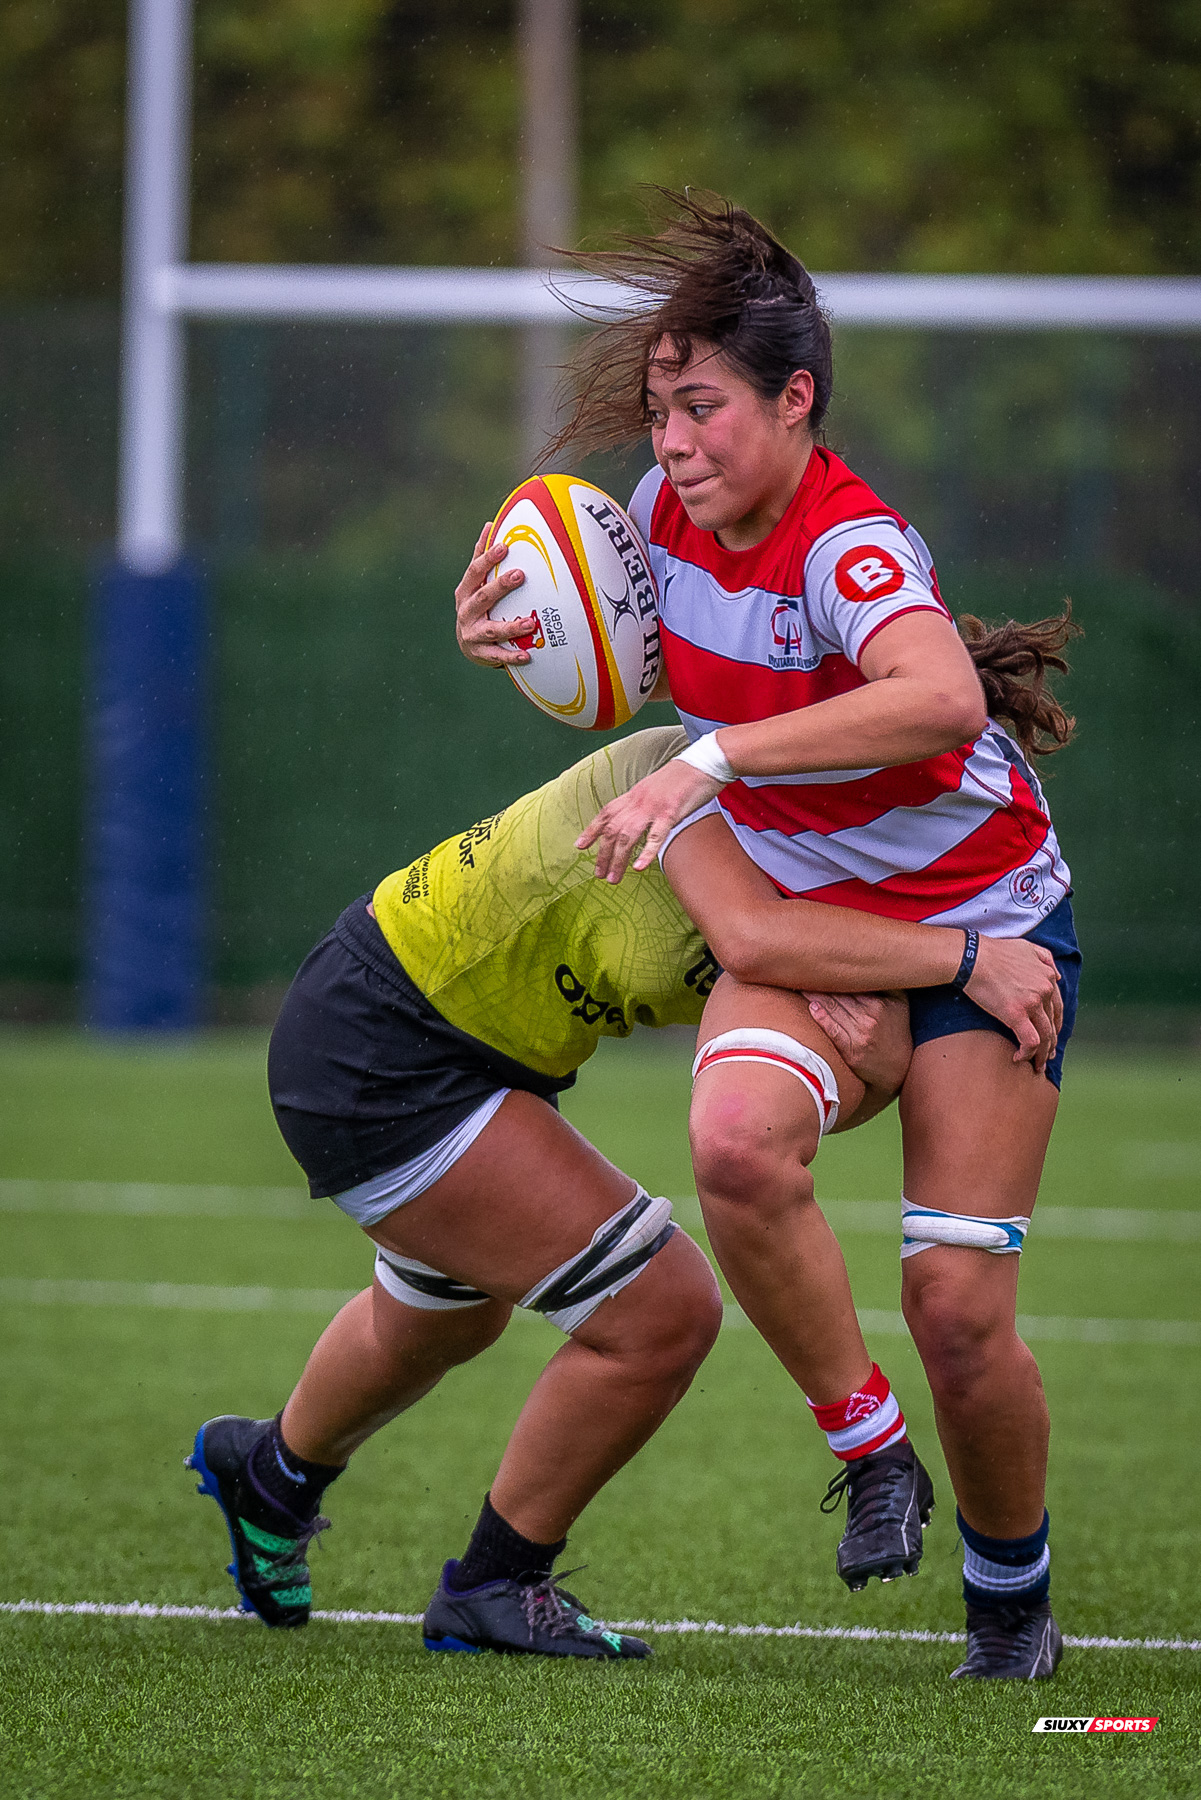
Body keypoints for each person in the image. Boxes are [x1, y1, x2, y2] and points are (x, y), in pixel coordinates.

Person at [453, 193, 1081, 1681]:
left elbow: (935, 698)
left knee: (957, 1306)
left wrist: (716, 760)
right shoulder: (664, 523)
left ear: (794, 401)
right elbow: (612, 640)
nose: (669, 443)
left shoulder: (847, 544)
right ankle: (869, 1451)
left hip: (987, 920)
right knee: (733, 1143)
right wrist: (505, 628)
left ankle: (1012, 1607)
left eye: (702, 408)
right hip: (812, 925)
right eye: (661, 409)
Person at [189, 726, 1059, 1659]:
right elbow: (756, 938)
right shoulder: (699, 776)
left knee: (441, 1318)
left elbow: (874, 1061)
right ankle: (494, 1581)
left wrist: (900, 980)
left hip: (464, 1050)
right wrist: (965, 957)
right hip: (384, 1047)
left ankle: (271, 1477)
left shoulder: (840, 842)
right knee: (661, 1312)